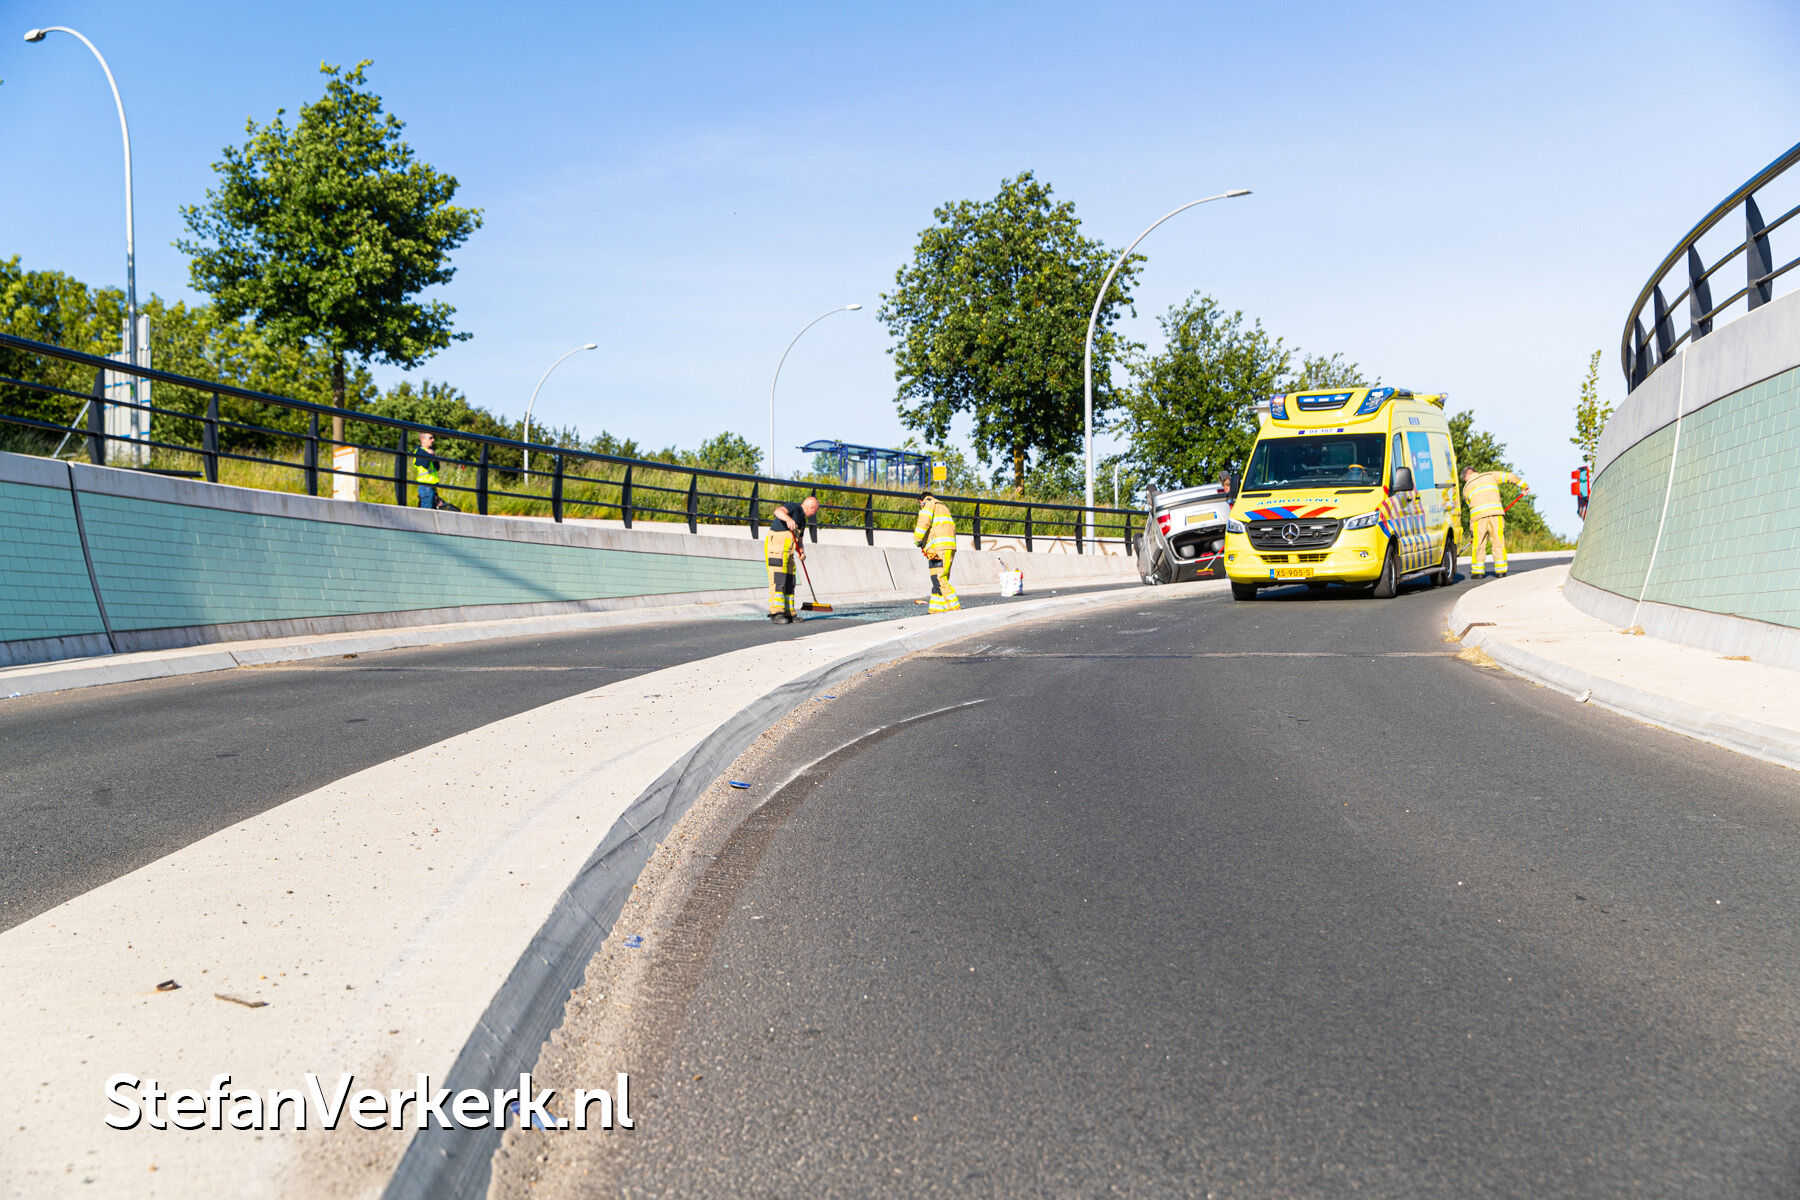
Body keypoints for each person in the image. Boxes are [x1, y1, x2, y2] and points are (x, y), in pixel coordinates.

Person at [1461, 465, 1530, 578]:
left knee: (1478, 544)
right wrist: (1524, 486)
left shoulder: (1466, 487)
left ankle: (1478, 572)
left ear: (1467, 476)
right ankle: (1501, 571)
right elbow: (1510, 476)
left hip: (1479, 518)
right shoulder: (1491, 476)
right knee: (1498, 542)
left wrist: (1472, 528)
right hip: (1496, 515)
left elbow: (1470, 507)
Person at [763, 495, 819, 624]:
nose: (814, 514)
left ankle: (789, 612)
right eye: (814, 511)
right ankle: (776, 612)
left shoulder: (803, 521)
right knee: (778, 579)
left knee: (790, 580)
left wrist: (802, 552)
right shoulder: (794, 507)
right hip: (777, 548)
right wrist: (788, 519)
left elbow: (799, 541)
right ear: (811, 507)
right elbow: (778, 511)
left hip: (789, 552)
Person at [912, 491, 960, 613]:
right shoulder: (942, 506)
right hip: (948, 547)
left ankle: (954, 608)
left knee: (939, 579)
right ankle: (936, 609)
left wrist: (917, 540)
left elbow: (923, 522)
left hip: (937, 548)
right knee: (939, 579)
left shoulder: (928, 504)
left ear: (920, 501)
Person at [413, 432, 441, 509]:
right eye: (430, 438)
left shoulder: (429, 451)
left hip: (432, 485)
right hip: (425, 485)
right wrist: (429, 455)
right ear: (423, 439)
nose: (433, 440)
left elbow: (437, 467)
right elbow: (425, 464)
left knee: (430, 510)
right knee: (426, 511)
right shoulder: (419, 451)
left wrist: (433, 456)